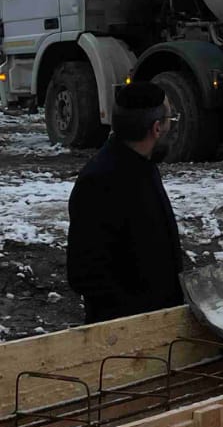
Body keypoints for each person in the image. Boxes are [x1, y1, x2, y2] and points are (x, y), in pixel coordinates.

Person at [66, 82, 186, 323]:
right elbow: (85, 274)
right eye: (170, 119)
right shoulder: (100, 181)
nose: (172, 126)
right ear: (156, 128)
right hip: (126, 336)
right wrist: (138, 317)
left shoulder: (143, 165)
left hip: (157, 325)